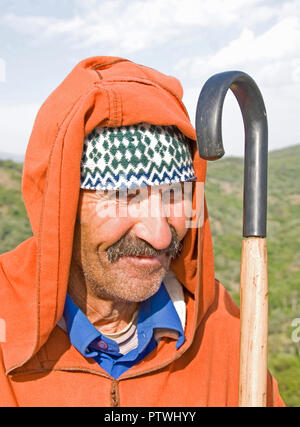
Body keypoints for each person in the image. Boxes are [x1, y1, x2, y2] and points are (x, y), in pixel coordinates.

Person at [0, 56, 284, 407]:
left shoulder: (222, 326)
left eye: (174, 194)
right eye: (125, 196)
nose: (160, 236)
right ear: (62, 208)